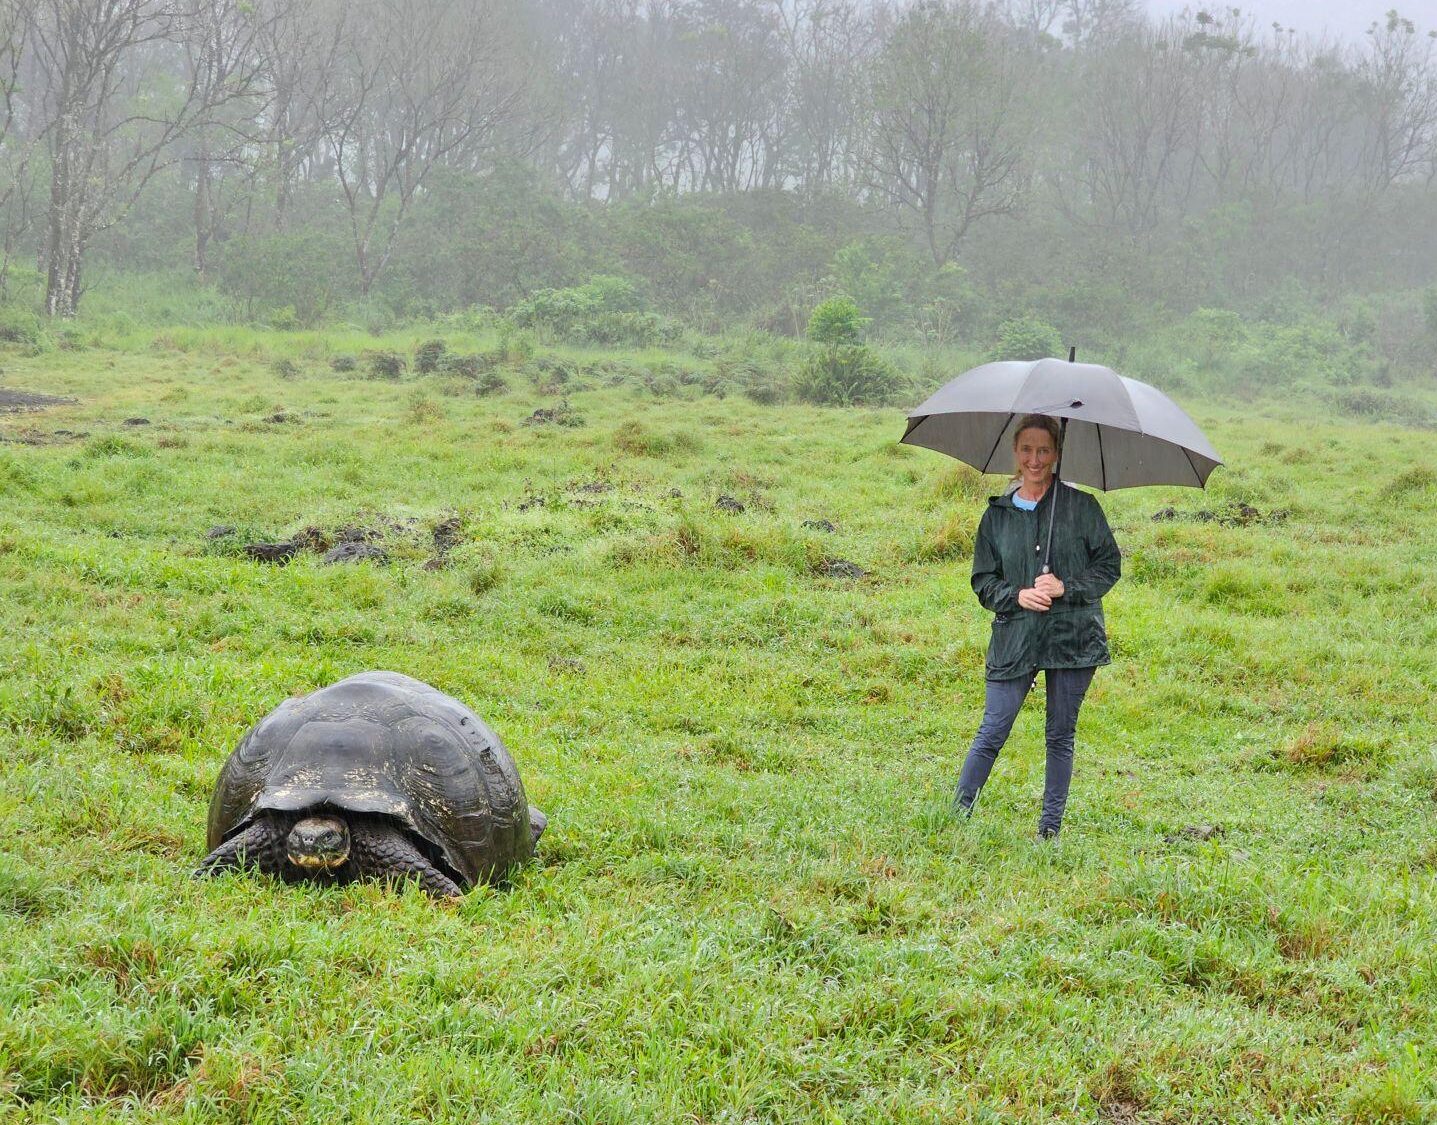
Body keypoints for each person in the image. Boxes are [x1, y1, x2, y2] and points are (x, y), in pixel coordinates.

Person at [952, 414, 1121, 839]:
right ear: (1015, 452)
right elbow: (983, 580)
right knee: (994, 727)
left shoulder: (1081, 509)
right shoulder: (997, 516)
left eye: (1044, 450)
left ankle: (1049, 831)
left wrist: (1066, 586)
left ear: (1057, 454)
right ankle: (954, 817)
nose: (1035, 459)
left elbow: (1109, 567)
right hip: (1016, 636)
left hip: (1072, 638)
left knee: (1060, 734)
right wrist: (1017, 595)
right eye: (1027, 449)